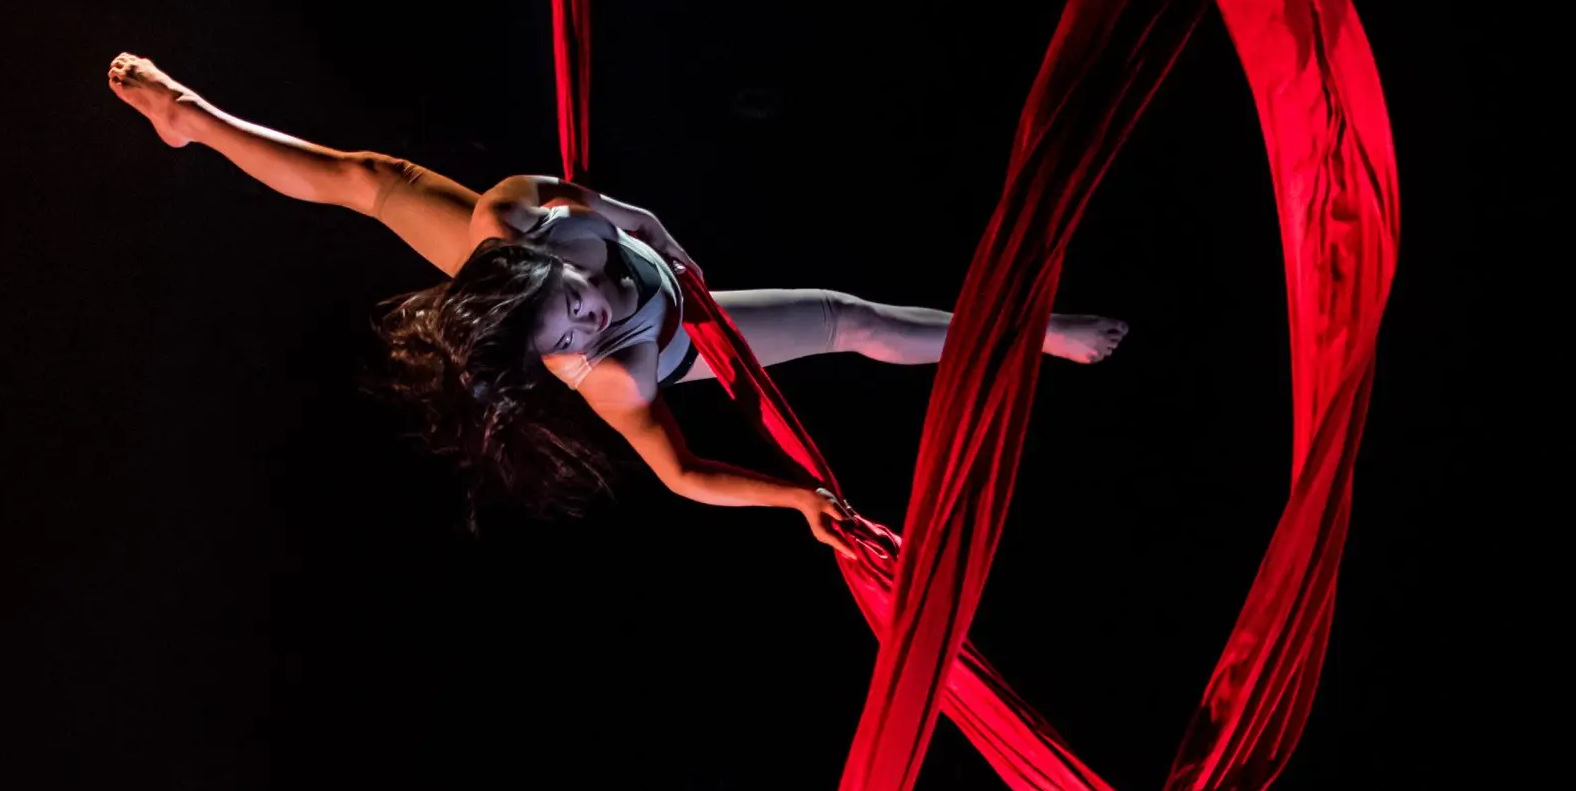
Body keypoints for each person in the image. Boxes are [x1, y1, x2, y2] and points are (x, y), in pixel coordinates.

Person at [107, 53, 1127, 553]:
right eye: (573, 339)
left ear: (544, 270)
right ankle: (1038, 335)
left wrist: (660, 237)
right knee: (853, 319)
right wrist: (799, 500)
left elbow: (593, 202)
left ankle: (194, 116)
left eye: (576, 311)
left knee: (374, 179)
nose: (588, 322)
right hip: (684, 334)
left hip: (590, 257)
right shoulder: (614, 370)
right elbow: (681, 475)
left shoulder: (511, 220)